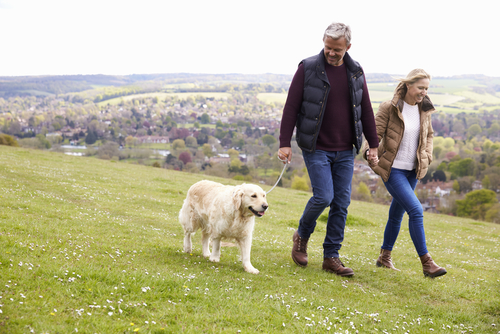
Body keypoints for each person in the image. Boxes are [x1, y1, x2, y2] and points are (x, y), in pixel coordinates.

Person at [278, 22, 379, 277]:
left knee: (342, 202)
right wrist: (284, 143)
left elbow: (365, 109)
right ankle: (301, 235)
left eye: (337, 49)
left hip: (346, 149)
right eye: (327, 47)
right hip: (316, 146)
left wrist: (374, 145)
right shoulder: (308, 67)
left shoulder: (355, 71)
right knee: (324, 197)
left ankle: (331, 257)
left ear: (348, 47)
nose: (331, 53)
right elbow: (291, 106)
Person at [363, 68, 447, 278]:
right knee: (416, 211)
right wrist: (368, 151)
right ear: (408, 85)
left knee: (396, 214)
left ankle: (384, 257)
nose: (424, 92)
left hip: (412, 171)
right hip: (393, 170)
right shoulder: (389, 108)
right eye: (420, 88)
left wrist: (427, 155)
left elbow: (429, 135)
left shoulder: (424, 110)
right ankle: (427, 263)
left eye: (426, 88)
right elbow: (374, 134)